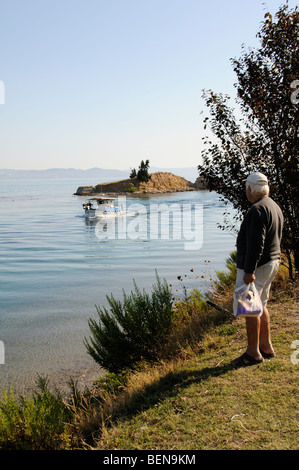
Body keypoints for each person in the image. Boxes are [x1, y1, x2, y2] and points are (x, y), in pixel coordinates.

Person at [231, 171, 284, 367]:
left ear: (250, 189)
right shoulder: (274, 206)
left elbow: (256, 244)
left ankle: (253, 353)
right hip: (273, 261)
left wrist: (248, 271)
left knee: (250, 307)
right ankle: (266, 346)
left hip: (258, 266)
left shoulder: (256, 210)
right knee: (262, 303)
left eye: (247, 190)